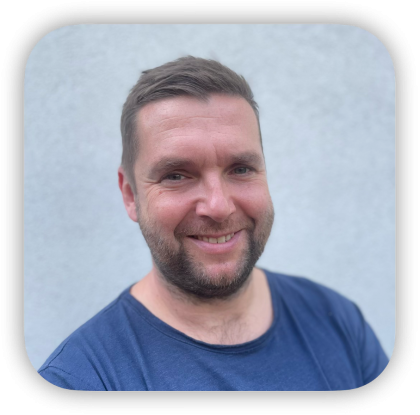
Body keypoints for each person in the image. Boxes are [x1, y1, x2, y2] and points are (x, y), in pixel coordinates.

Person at [38, 56, 388, 391]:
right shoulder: (80, 380)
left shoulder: (337, 320)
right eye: (176, 175)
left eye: (241, 169)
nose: (218, 207)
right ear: (131, 195)